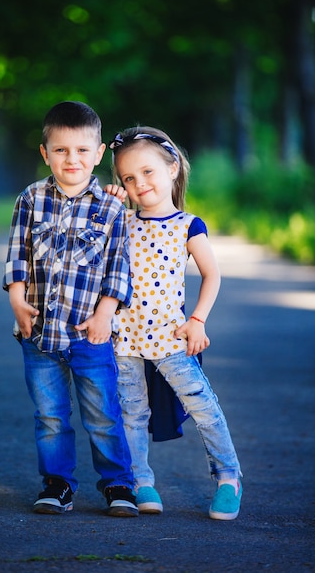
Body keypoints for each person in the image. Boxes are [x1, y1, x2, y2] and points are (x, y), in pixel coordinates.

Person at [3, 101, 138, 517]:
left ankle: (118, 485)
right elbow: (17, 255)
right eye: (61, 150)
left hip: (89, 333)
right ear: (45, 153)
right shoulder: (31, 199)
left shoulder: (114, 208)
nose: (71, 159)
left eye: (82, 150)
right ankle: (57, 483)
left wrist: (106, 314)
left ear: (99, 154)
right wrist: (17, 301)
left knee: (102, 413)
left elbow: (119, 266)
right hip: (40, 334)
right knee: (51, 415)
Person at [106, 126, 242, 520]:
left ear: (173, 168)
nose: (138, 183)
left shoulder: (188, 225)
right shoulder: (122, 221)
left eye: (147, 172)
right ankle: (140, 480)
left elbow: (212, 275)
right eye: (128, 179)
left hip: (170, 337)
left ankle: (229, 477)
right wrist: (109, 202)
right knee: (131, 411)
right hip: (124, 337)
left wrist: (198, 319)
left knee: (203, 406)